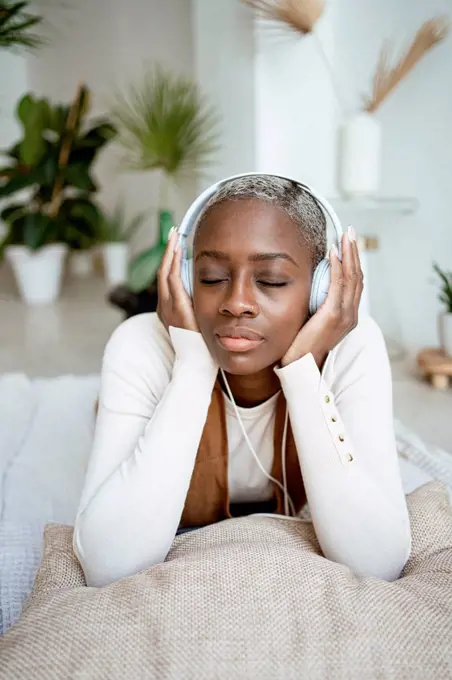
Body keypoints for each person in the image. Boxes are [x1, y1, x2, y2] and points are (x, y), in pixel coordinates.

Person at [73, 175, 411, 588]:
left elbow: (377, 560)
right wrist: (194, 363)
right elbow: (109, 563)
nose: (235, 303)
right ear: (183, 276)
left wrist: (304, 370)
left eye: (270, 280)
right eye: (212, 277)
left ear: (323, 289)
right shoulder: (140, 344)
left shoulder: (353, 348)